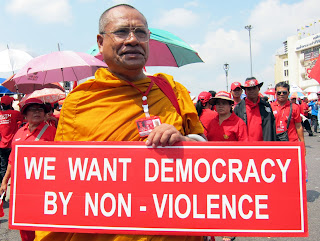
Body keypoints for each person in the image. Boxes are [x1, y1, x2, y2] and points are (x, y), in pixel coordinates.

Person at [35, 4, 205, 241]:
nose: (133, 40)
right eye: (122, 32)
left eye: (141, 33)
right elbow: (63, 181)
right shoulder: (80, 101)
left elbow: (208, 157)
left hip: (170, 229)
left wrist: (184, 141)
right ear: (100, 41)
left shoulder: (172, 91)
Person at [0, 98, 56, 241]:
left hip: (44, 187)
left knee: (43, 225)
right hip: (21, 189)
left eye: (40, 109)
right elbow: (12, 160)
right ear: (25, 115)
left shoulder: (52, 132)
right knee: (24, 226)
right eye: (32, 109)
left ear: (45, 113)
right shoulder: (19, 133)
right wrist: (5, 181)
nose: (37, 112)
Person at [0, 96, 23, 184]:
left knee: (3, 166)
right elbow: (23, 115)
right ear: (10, 104)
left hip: (2, 145)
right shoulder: (15, 113)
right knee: (14, 164)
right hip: (12, 145)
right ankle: (13, 182)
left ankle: (3, 183)